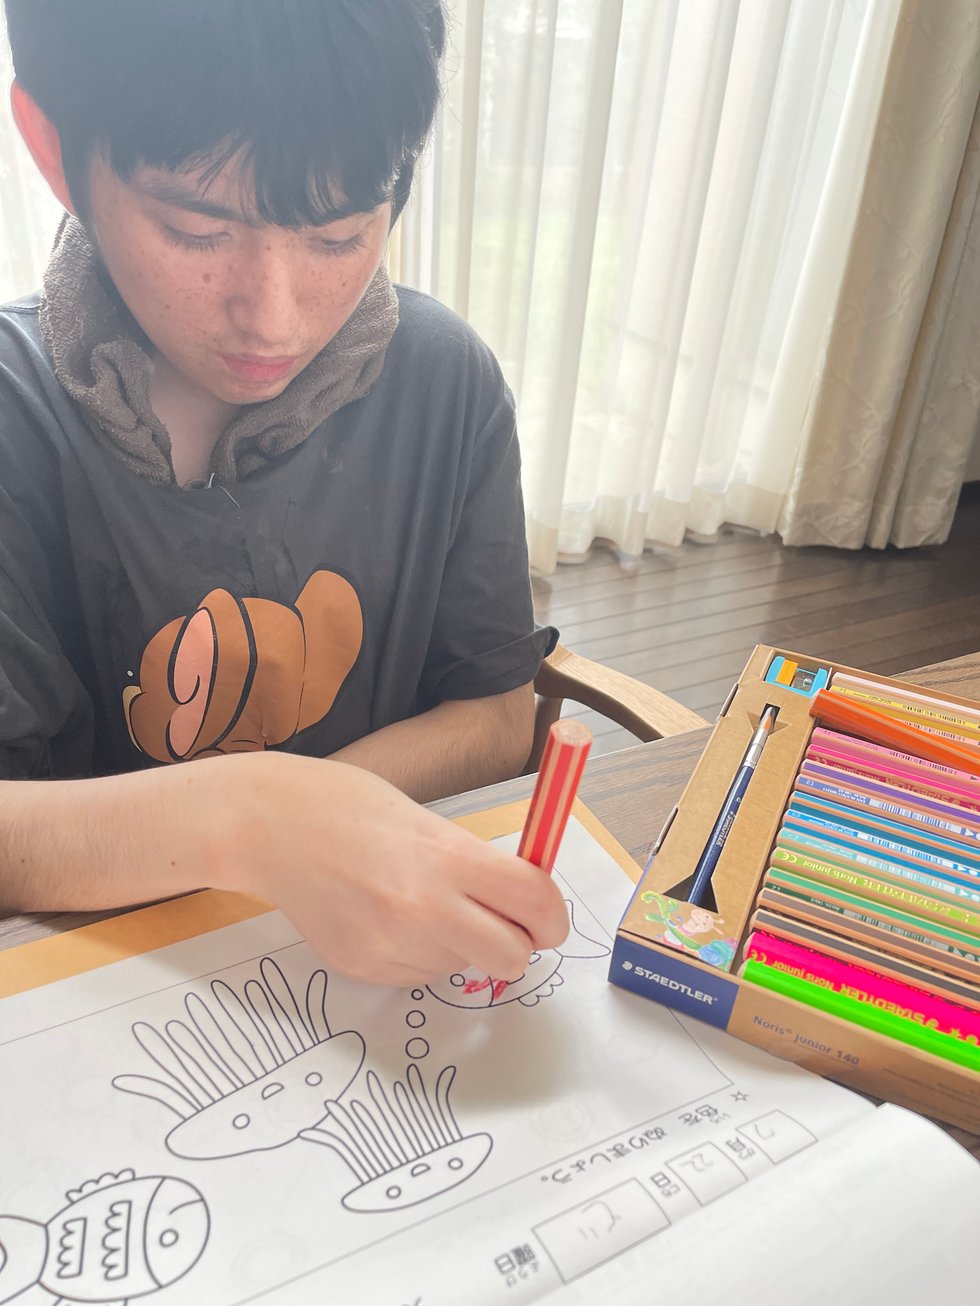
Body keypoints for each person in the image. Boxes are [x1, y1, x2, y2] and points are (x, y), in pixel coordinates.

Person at [0, 0, 569, 985]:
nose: (273, 318)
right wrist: (259, 823)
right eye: (194, 230)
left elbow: (492, 711)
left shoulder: (444, 383)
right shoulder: (19, 421)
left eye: (339, 236)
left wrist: (316, 833)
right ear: (54, 149)